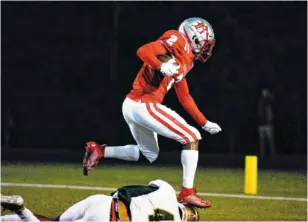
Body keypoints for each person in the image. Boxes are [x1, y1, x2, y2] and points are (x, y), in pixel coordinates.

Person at [83, 17, 222, 208]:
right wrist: (161, 65)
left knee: (149, 153)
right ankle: (187, 192)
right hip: (144, 104)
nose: (205, 49)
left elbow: (184, 96)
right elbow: (143, 50)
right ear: (192, 37)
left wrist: (204, 122)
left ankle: (99, 150)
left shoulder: (187, 59)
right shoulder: (177, 39)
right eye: (203, 43)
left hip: (132, 105)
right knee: (191, 137)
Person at [1, 180, 199, 222]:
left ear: (184, 206)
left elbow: (145, 187)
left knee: (54, 221)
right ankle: (20, 208)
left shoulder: (168, 192)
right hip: (110, 220)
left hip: (103, 202)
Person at [258, 88, 276, 156]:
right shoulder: (262, 102)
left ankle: (271, 154)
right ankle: (264, 154)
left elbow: (270, 113)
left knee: (269, 140)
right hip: (263, 124)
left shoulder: (267, 102)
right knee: (264, 140)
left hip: (266, 123)